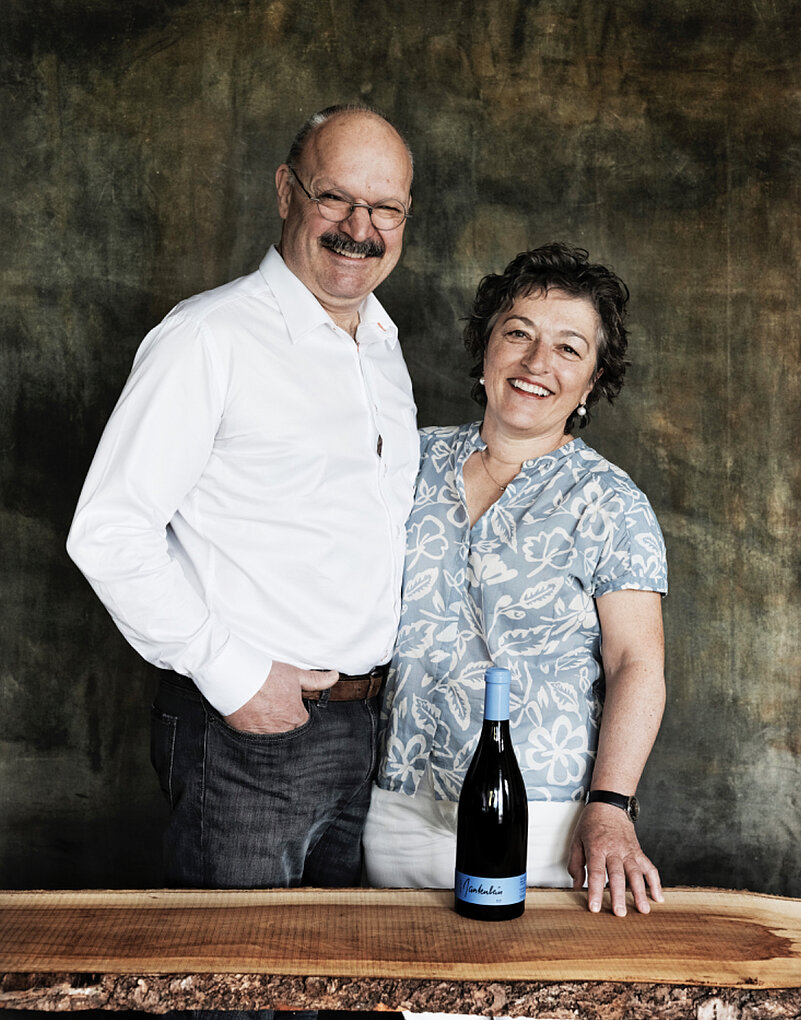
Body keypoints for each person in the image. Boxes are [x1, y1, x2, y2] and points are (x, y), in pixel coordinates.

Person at [67, 104, 419, 892]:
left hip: (364, 732)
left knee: (325, 990)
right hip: (247, 733)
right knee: (233, 994)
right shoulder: (209, 338)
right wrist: (233, 676)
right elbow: (109, 531)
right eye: (336, 198)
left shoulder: (383, 345)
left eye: (385, 207)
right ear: (286, 191)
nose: (359, 227)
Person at [363, 243, 667, 918]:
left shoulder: (609, 502)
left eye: (568, 348)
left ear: (591, 382)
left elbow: (636, 661)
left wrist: (611, 808)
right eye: (520, 334)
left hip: (544, 822)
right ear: (486, 347)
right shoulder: (409, 461)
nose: (537, 364)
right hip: (396, 806)